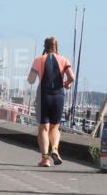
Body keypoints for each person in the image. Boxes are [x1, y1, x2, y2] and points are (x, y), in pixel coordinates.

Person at [27, 37, 74, 167]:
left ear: (45, 47)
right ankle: (55, 149)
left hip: (43, 95)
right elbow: (72, 77)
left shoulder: (38, 60)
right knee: (55, 126)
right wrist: (66, 84)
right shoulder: (64, 60)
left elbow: (30, 80)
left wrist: (35, 74)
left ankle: (45, 159)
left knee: (43, 127)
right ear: (56, 47)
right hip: (58, 96)